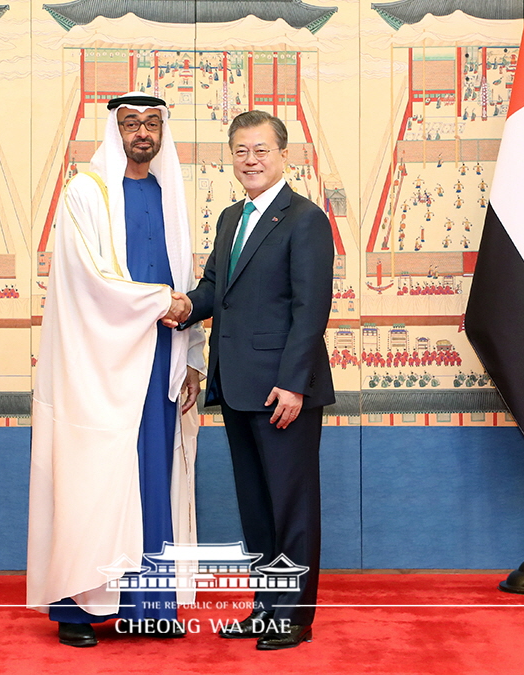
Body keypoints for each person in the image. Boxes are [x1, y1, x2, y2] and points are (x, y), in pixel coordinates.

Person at [28, 93, 205, 647]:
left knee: (153, 478)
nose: (142, 133)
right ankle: (77, 612)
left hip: (157, 364)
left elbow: (185, 274)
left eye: (152, 124)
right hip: (96, 368)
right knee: (93, 478)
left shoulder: (168, 194)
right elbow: (90, 280)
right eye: (131, 124)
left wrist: (193, 358)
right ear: (116, 130)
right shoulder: (87, 192)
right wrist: (162, 303)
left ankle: (148, 607)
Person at [177, 110, 334, 650]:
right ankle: (266, 608)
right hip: (239, 387)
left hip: (283, 391)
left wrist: (293, 383)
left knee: (291, 505)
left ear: (284, 156)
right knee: (258, 507)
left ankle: (294, 616)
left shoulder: (305, 218)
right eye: (241, 151)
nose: (251, 160)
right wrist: (172, 306)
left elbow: (311, 309)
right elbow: (213, 290)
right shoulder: (230, 218)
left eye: (261, 150)